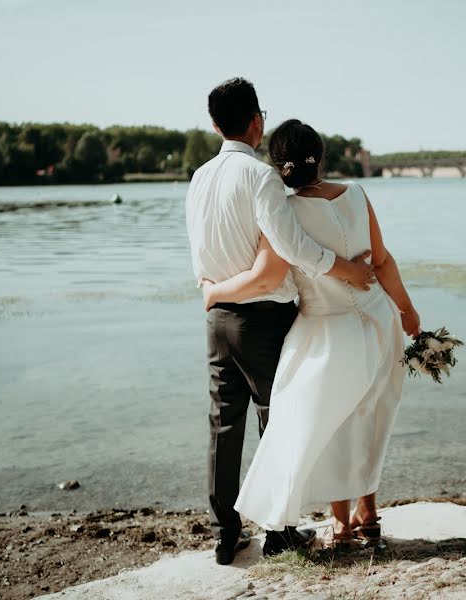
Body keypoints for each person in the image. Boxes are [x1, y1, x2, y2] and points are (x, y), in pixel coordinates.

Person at [202, 118, 420, 550]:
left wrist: (216, 291)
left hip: (325, 328)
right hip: (377, 319)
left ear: (277, 165)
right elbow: (382, 260)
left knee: (332, 424)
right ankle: (370, 513)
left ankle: (340, 523)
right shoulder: (357, 193)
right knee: (371, 414)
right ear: (319, 156)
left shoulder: (283, 211)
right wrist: (407, 308)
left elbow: (273, 273)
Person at [185, 78, 377, 565]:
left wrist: (214, 292)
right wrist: (344, 268)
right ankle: (279, 531)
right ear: (257, 121)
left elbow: (200, 256)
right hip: (264, 319)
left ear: (214, 125)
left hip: (217, 319)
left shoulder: (200, 177)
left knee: (223, 427)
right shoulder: (260, 176)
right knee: (280, 420)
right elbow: (290, 248)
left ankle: (225, 535)